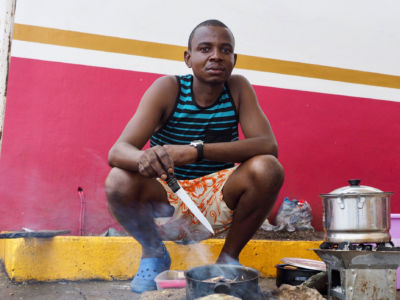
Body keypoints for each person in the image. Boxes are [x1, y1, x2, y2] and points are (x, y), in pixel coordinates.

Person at [105, 19, 284, 293]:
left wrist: (195, 151)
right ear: (188, 58)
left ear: (234, 59)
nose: (216, 56)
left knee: (268, 168)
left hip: (219, 198)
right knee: (118, 179)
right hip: (166, 201)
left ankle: (228, 259)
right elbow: (118, 151)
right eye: (205, 48)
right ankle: (154, 253)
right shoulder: (168, 89)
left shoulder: (237, 88)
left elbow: (268, 146)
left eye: (225, 50)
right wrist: (146, 158)